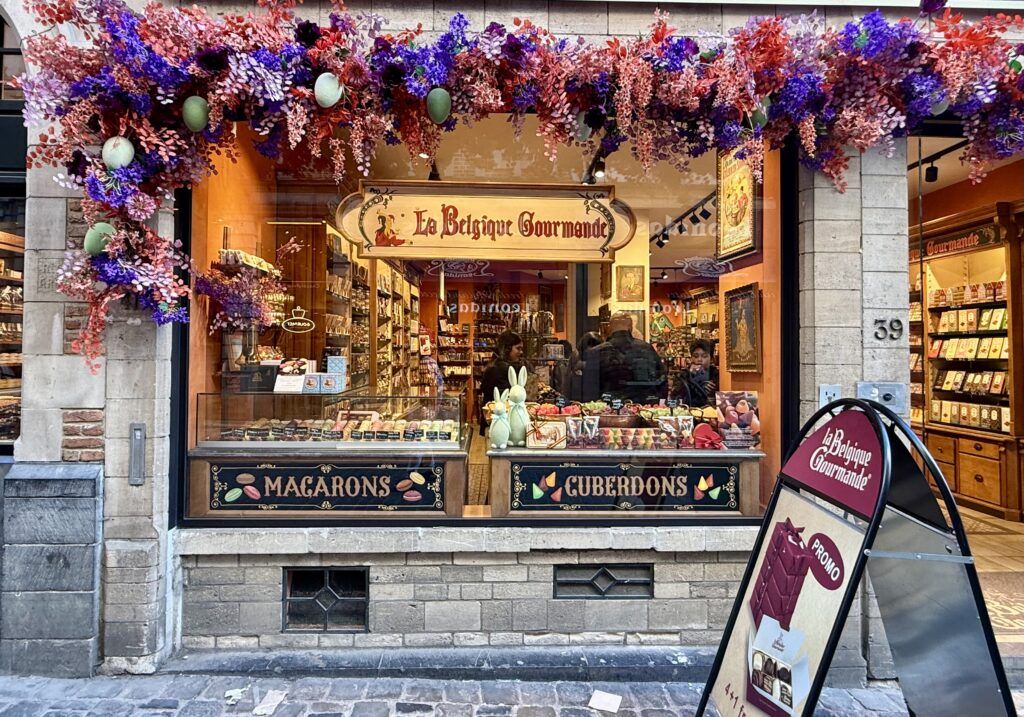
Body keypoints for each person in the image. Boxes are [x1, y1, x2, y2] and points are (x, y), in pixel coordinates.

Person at [581, 312, 667, 403]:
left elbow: (588, 388)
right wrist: (656, 402)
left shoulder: (596, 352)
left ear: (610, 328)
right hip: (643, 406)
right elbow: (661, 379)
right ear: (631, 327)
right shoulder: (647, 348)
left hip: (607, 407)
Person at [479, 331, 525, 434]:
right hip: (499, 420)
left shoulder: (495, 365)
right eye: (518, 348)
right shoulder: (502, 368)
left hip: (493, 419)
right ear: (507, 348)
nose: (521, 352)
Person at [684, 338, 719, 406]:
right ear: (691, 358)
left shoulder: (716, 375)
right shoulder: (685, 374)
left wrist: (713, 392)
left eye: (704, 356)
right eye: (695, 356)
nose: (699, 359)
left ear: (711, 359)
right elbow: (676, 397)